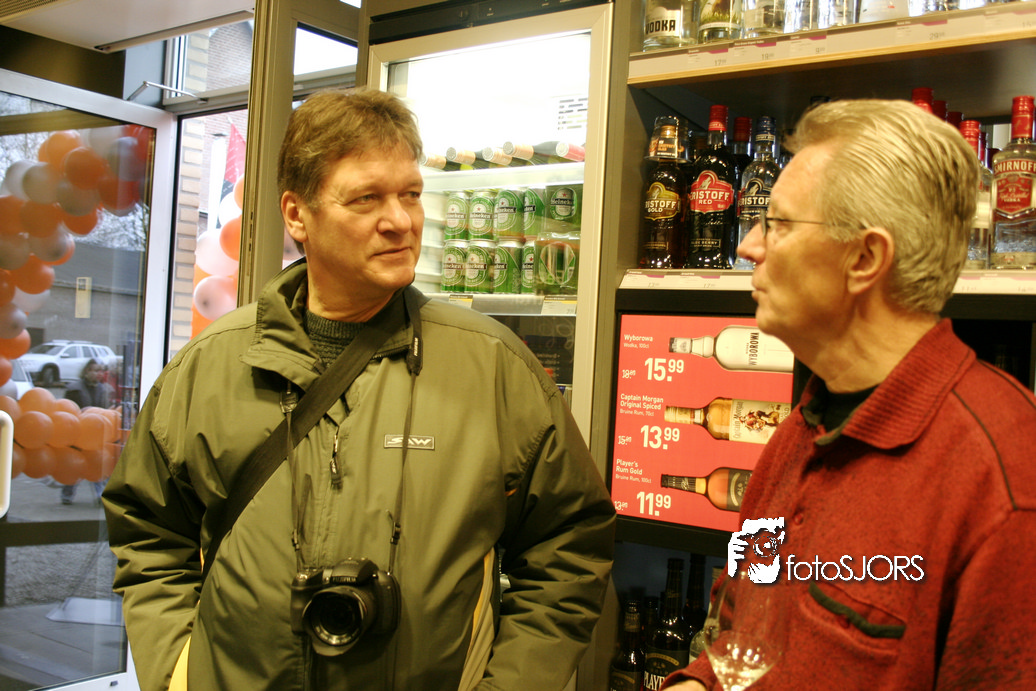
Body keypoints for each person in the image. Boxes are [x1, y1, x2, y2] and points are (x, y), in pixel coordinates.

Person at [102, 88, 615, 691]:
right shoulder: (209, 367)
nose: (400, 220)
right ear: (298, 215)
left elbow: (570, 543)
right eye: (367, 198)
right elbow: (148, 529)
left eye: (411, 194)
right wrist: (179, 672)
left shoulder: (493, 367)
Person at [664, 99, 1036, 690]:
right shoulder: (803, 428)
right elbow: (739, 635)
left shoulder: (1005, 482)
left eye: (778, 224)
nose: (750, 246)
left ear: (865, 258)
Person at [60, 357, 115, 504]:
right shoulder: (74, 389)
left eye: (101, 371)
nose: (99, 374)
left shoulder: (105, 390)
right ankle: (67, 494)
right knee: (73, 466)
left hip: (96, 434)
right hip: (77, 434)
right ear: (87, 371)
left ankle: (100, 495)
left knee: (97, 464)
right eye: (95, 370)